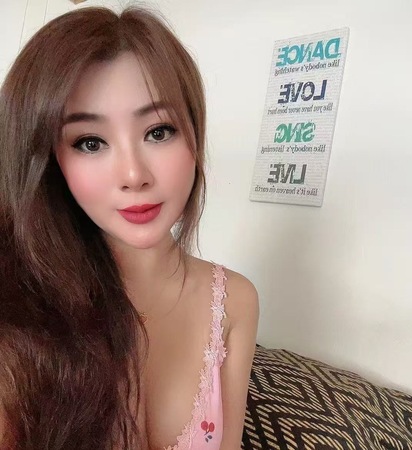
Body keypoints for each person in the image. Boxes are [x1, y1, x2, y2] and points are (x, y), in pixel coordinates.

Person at [0, 5, 259, 450]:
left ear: (194, 135)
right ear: (50, 162)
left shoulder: (235, 301)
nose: (133, 175)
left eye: (158, 132)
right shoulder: (18, 308)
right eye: (90, 142)